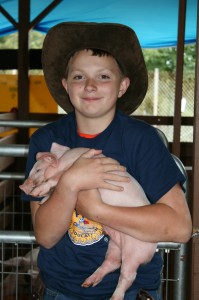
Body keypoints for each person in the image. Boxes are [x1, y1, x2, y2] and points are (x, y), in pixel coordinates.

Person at [22, 22, 192, 300]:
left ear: (122, 86)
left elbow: (180, 227)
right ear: (66, 85)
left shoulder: (143, 140)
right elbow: (46, 236)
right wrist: (70, 183)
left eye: (103, 76)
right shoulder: (46, 140)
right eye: (78, 77)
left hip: (133, 291)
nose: (89, 85)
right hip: (61, 290)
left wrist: (96, 210)